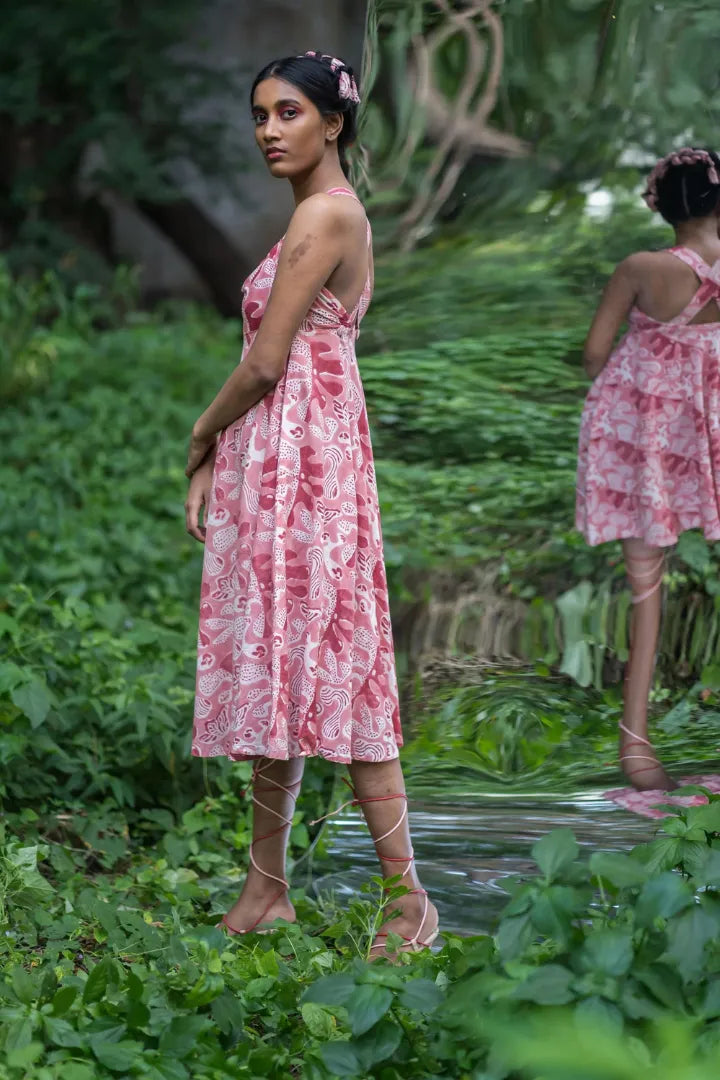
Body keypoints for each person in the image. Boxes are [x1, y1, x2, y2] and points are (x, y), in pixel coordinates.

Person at [183, 50, 438, 954]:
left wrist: (198, 437)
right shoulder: (316, 214)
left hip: (307, 466)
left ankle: (410, 901)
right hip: (292, 453)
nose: (267, 131)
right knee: (284, 663)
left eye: (287, 113)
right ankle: (265, 892)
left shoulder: (326, 215)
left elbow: (262, 363)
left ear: (333, 123)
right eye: (259, 115)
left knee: (342, 662)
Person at [576, 147, 720, 792]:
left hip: (647, 445)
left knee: (646, 597)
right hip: (712, 436)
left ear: (663, 205)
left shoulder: (640, 267)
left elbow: (594, 353)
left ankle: (638, 752)